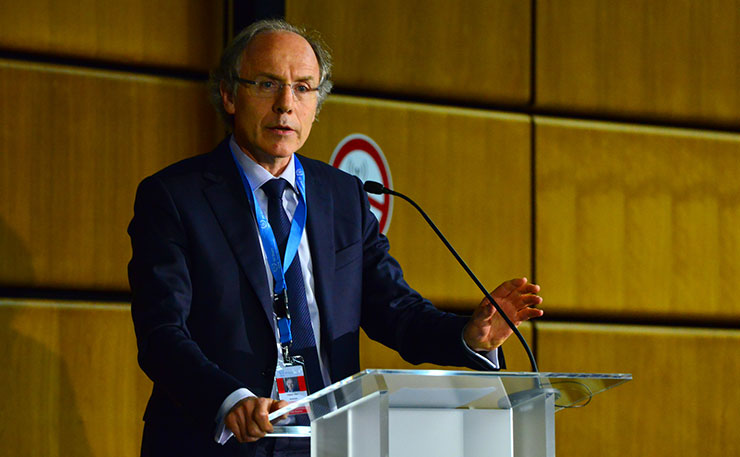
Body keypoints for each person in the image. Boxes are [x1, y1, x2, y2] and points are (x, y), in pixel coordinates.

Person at [128, 19, 543, 457]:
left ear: (316, 104)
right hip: (219, 442)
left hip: (327, 442)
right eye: (268, 84)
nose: (286, 105)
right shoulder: (175, 197)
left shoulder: (342, 196)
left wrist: (468, 335)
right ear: (230, 95)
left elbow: (396, 311)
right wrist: (230, 400)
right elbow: (162, 333)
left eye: (304, 88)